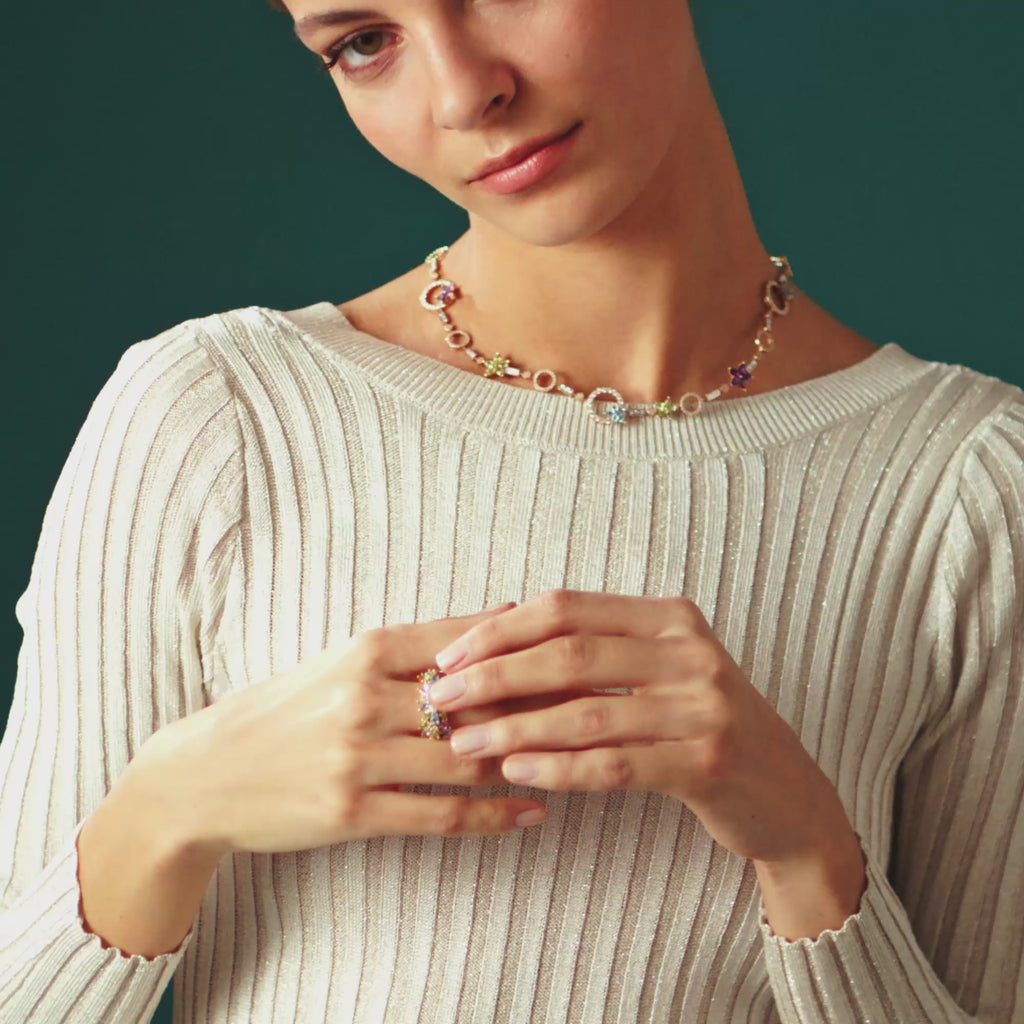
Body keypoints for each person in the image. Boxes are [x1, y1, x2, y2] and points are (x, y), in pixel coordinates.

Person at [1, 0, 1021, 1021]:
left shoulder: (970, 485)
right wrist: (163, 810)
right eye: (364, 42)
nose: (462, 93)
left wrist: (813, 856)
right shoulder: (219, 417)